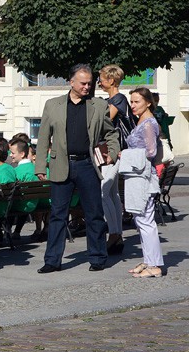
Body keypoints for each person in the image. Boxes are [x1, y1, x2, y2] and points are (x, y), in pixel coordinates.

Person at [36, 64, 120, 274]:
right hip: (60, 164)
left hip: (87, 165)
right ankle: (52, 261)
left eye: (89, 83)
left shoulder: (99, 105)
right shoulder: (52, 105)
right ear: (71, 82)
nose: (87, 86)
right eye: (83, 83)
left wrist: (112, 151)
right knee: (57, 215)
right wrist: (40, 165)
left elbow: (111, 133)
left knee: (94, 214)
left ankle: (98, 257)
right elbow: (43, 137)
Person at [122, 88, 165, 278]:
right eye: (131, 102)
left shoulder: (148, 123)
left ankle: (154, 264)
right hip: (137, 176)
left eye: (136, 102)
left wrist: (126, 154)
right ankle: (149, 260)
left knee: (146, 221)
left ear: (148, 102)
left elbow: (151, 152)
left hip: (143, 177)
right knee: (141, 220)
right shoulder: (141, 121)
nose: (132, 105)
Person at [98, 65, 135, 255]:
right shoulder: (113, 99)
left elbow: (105, 121)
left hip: (115, 151)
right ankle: (117, 235)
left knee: (105, 191)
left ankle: (113, 234)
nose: (99, 82)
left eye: (102, 78)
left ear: (111, 80)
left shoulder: (118, 99)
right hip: (117, 150)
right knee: (112, 193)